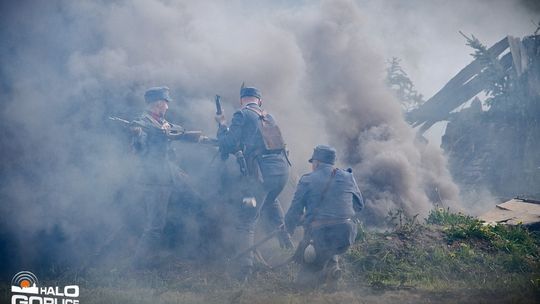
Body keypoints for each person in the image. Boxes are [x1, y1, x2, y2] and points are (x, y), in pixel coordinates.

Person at [215, 85, 293, 279]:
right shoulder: (268, 116)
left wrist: (222, 124)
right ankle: (288, 246)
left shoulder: (241, 115)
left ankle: (244, 269)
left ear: (242, 100)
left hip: (260, 179)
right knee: (272, 201)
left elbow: (228, 143)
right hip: (281, 175)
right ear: (259, 100)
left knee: (246, 221)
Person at [130, 86, 208, 268]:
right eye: (166, 103)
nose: (167, 106)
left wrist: (177, 170)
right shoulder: (142, 123)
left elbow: (175, 140)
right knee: (154, 227)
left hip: (170, 175)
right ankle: (136, 268)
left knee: (196, 201)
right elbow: (140, 146)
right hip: (155, 179)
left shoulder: (163, 122)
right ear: (159, 103)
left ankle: (184, 252)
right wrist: (138, 133)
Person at [285, 145, 364, 290]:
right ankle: (333, 269)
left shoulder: (307, 180)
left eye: (313, 163)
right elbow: (359, 206)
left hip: (322, 234)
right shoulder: (348, 176)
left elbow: (294, 210)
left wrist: (288, 230)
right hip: (346, 234)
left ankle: (325, 274)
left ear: (317, 162)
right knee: (329, 248)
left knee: (303, 281)